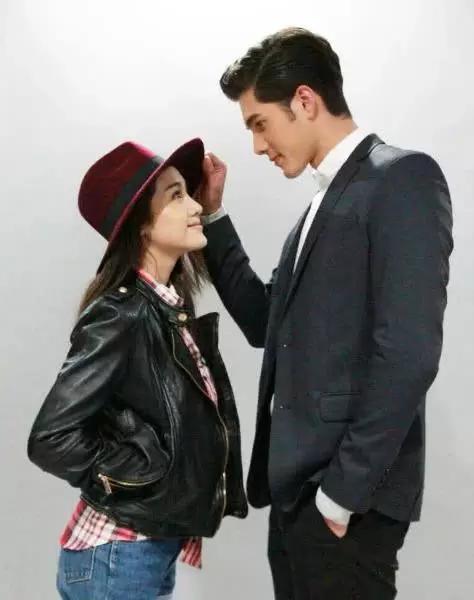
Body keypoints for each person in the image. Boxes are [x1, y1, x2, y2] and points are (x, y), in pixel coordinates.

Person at [198, 27, 453, 599]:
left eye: (259, 123)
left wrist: (340, 496)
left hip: (345, 504)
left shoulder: (402, 178)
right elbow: (266, 321)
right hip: (297, 496)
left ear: (305, 100)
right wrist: (213, 218)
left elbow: (409, 353)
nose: (257, 146)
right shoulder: (319, 205)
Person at [27, 138, 247, 600]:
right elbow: (51, 438)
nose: (194, 206)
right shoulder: (121, 315)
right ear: (142, 226)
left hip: (144, 550)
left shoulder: (168, 310)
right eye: (176, 195)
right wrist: (144, 474)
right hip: (119, 555)